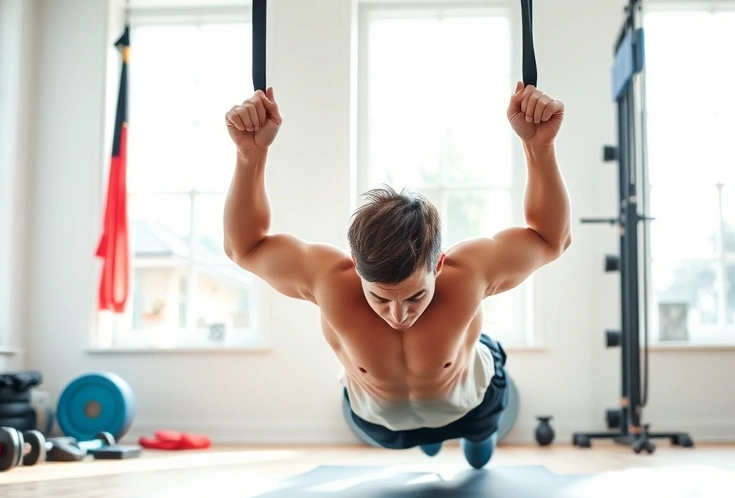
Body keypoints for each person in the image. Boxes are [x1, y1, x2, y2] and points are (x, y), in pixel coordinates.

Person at [223, 81, 571, 469]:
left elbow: (551, 239)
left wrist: (539, 147)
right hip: (381, 424)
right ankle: (430, 441)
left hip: (469, 406)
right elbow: (245, 248)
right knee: (416, 439)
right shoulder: (330, 282)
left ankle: (479, 436)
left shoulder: (468, 273)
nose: (399, 316)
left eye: (416, 296)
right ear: (356, 270)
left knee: (478, 455)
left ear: (438, 265)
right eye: (380, 298)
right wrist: (249, 155)